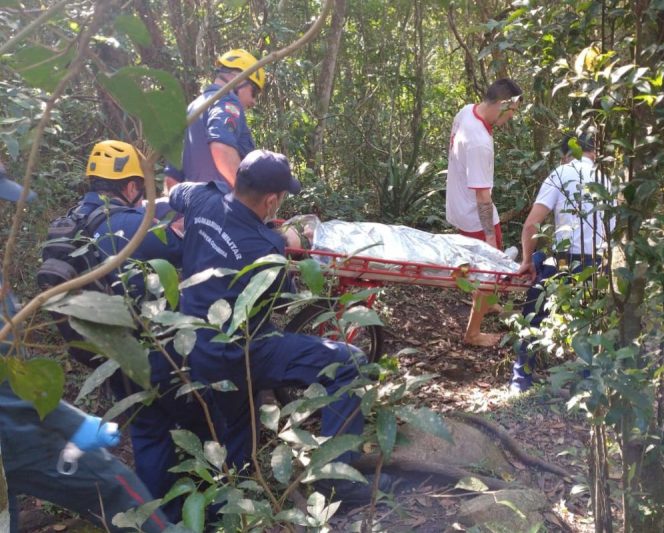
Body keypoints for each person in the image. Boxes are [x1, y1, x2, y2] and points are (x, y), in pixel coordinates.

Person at [169, 149, 393, 503]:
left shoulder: (201, 198)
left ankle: (235, 492)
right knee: (350, 362)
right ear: (272, 200)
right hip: (240, 350)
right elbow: (285, 300)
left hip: (191, 343)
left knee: (238, 433)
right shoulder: (266, 246)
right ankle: (337, 480)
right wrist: (289, 243)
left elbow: (174, 191)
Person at [0, 164, 169, 532]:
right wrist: (71, 422)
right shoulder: (118, 221)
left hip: (47, 390)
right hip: (15, 433)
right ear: (131, 187)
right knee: (117, 490)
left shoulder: (73, 221)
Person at [45, 140, 208, 521]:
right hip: (149, 349)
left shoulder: (68, 223)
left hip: (102, 350)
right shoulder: (132, 227)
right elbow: (190, 250)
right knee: (205, 417)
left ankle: (158, 518)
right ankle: (212, 509)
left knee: (148, 431)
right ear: (132, 186)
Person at [510, 132, 613, 394]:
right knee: (590, 322)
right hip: (596, 264)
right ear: (594, 154)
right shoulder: (607, 181)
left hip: (565, 262)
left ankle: (521, 380)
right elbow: (611, 230)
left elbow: (532, 224)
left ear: (566, 155)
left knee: (533, 314)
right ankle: (588, 386)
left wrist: (526, 261)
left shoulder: (561, 173)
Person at [445, 78, 523, 346]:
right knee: (489, 271)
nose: (512, 117)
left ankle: (488, 305)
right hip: (474, 213)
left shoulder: (467, 110)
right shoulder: (479, 142)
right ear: (503, 105)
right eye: (512, 111)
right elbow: (482, 196)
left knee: (484, 270)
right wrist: (490, 238)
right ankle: (473, 333)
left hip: (458, 204)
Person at [166, 49, 266, 191]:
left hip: (193, 210)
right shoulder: (227, 101)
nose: (254, 101)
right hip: (224, 208)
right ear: (239, 79)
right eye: (254, 92)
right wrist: (248, 201)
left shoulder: (191, 109)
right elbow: (221, 149)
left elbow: (172, 179)